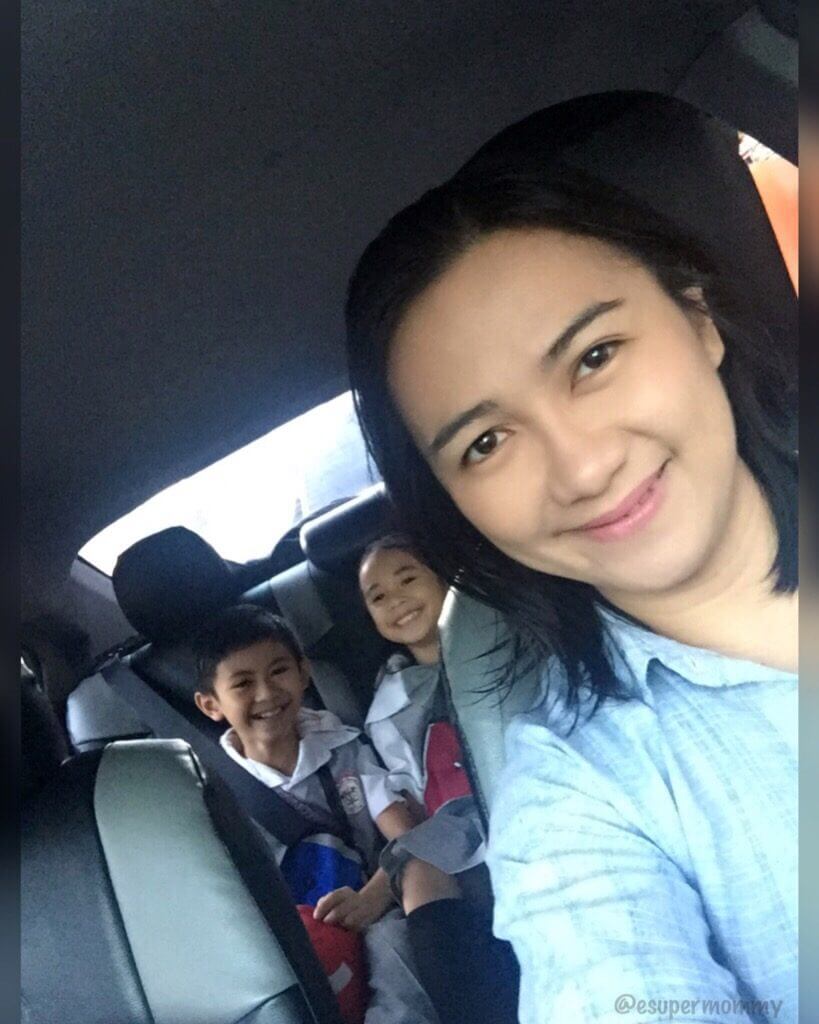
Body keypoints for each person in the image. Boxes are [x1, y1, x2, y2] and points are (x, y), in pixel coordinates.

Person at [344, 101, 797, 1023]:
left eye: (593, 356)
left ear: (698, 320)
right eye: (484, 443)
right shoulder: (574, 799)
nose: (582, 467)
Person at [192, 603, 439, 1024]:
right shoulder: (211, 791)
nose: (266, 693)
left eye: (278, 671)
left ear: (303, 673)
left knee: (395, 947)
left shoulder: (344, 751)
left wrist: (372, 898)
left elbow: (404, 833)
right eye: (243, 683)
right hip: (283, 943)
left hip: (370, 909)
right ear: (211, 704)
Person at [359, 534, 520, 1023]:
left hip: (517, 799)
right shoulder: (387, 706)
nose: (396, 600)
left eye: (408, 579)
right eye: (378, 597)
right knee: (420, 869)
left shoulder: (505, 644)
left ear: (445, 577)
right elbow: (406, 787)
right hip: (455, 833)